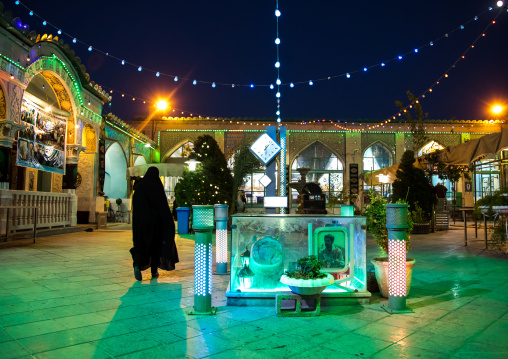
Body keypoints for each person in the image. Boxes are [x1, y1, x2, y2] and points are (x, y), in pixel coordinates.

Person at [130, 166, 179, 280]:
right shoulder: (157, 186)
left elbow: (136, 207)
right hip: (155, 224)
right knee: (155, 247)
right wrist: (168, 222)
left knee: (140, 245)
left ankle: (137, 265)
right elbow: (162, 206)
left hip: (141, 224)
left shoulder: (140, 187)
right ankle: (154, 271)